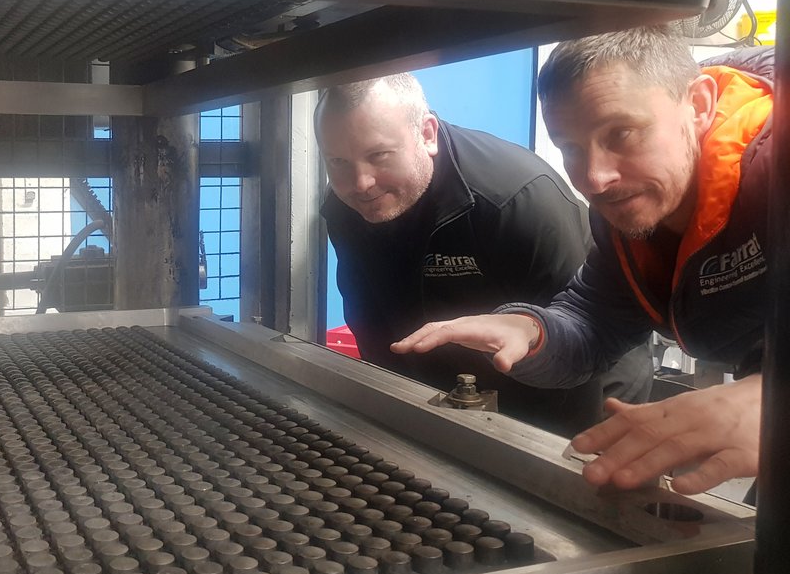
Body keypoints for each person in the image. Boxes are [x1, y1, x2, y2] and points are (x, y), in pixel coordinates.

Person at [392, 27, 772, 495]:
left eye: (622, 134)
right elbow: (597, 323)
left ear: (699, 104)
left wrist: (769, 400)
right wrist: (534, 331)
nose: (593, 178)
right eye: (570, 147)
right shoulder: (629, 212)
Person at [317, 73, 652, 437]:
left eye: (379, 155)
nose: (361, 183)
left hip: (587, 387)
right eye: (338, 162)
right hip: (464, 388)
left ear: (427, 134)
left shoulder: (518, 199)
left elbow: (581, 342)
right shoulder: (344, 205)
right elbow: (371, 325)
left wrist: (556, 456)